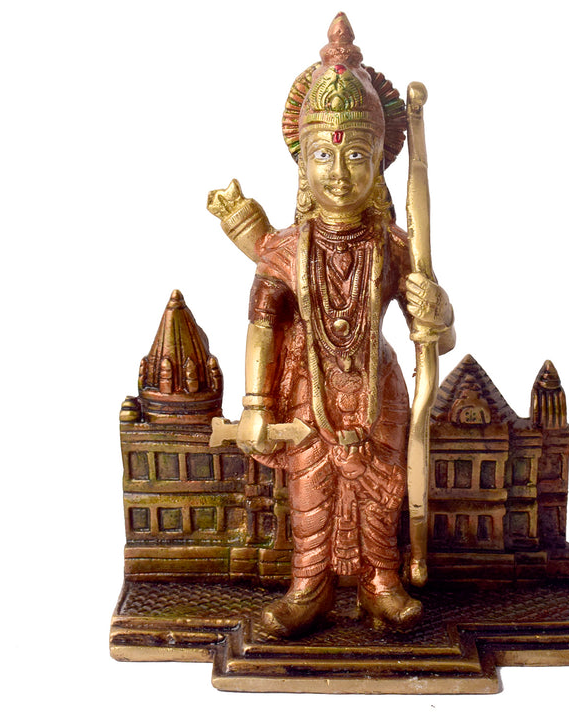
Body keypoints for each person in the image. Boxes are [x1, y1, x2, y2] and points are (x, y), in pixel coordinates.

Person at [208, 13, 454, 638]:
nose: (339, 171)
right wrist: (256, 406)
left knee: (384, 489)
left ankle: (381, 583)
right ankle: (308, 588)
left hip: (378, 390)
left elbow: (438, 340)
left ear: (378, 164)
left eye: (355, 155)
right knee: (310, 496)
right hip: (307, 389)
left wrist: (438, 313)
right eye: (324, 154)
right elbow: (262, 324)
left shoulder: (393, 246)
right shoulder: (287, 249)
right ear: (302, 164)